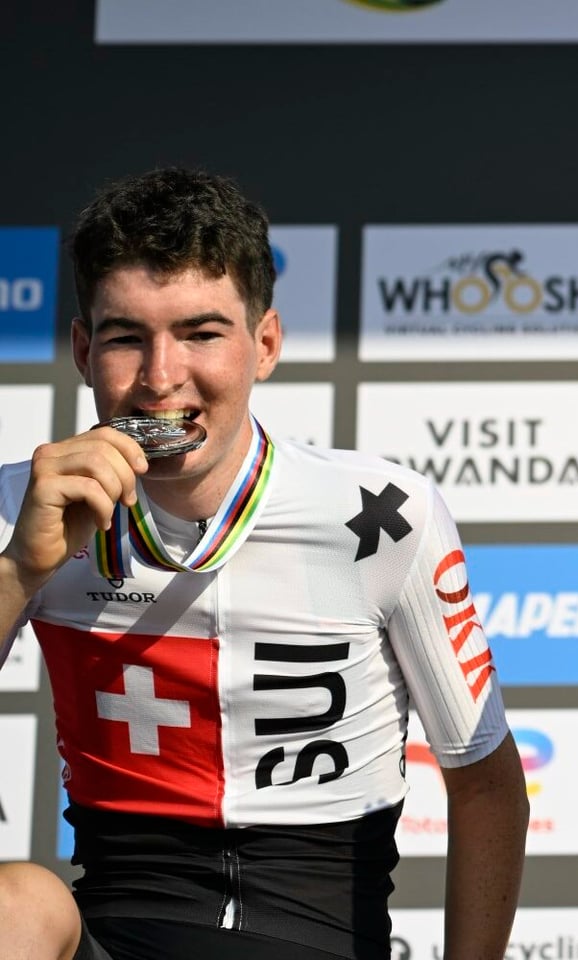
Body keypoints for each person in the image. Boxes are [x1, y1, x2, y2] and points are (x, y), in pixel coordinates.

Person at [0, 168, 528, 960]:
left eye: (201, 333)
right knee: (17, 906)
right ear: (82, 350)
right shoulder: (27, 503)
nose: (161, 376)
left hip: (321, 941)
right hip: (121, 934)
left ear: (267, 344)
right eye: (125, 338)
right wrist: (20, 570)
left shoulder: (380, 515)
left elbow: (485, 784)